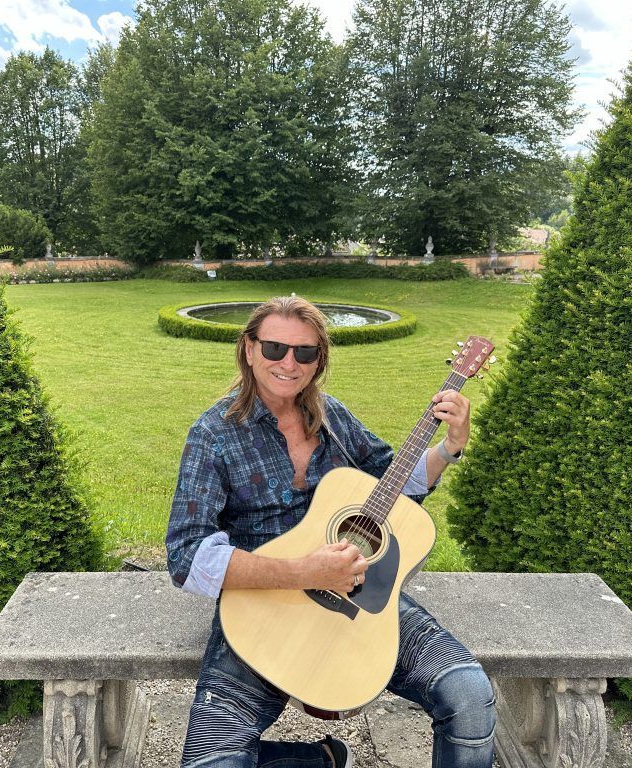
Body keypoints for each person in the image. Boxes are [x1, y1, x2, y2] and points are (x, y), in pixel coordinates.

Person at [166, 296, 496, 768]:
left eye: (305, 352)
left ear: (319, 360)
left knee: (469, 694)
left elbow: (391, 479)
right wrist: (305, 571)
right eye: (275, 348)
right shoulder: (213, 434)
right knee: (210, 762)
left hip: (361, 600)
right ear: (249, 349)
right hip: (262, 610)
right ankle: (319, 759)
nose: (289, 363)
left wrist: (449, 447)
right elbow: (186, 555)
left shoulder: (332, 417)